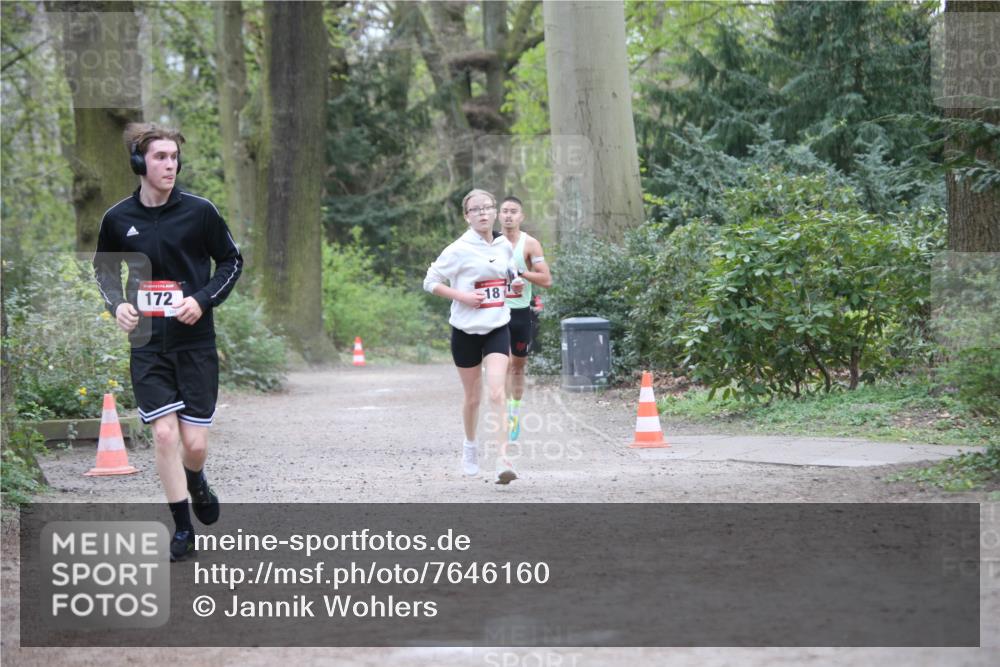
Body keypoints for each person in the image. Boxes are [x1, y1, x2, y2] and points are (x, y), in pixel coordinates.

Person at [93, 122, 243, 561]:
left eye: (174, 158)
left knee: (193, 445)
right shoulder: (118, 218)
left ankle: (197, 480)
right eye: (160, 157)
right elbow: (104, 271)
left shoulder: (200, 212)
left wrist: (202, 299)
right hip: (147, 344)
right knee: (163, 436)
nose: (170, 165)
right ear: (140, 163)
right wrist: (117, 304)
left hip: (195, 343)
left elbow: (231, 262)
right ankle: (181, 528)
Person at [423, 189, 524, 484]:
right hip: (465, 331)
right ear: (466, 217)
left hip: (496, 327)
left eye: (487, 208)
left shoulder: (505, 244)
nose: (482, 213)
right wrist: (462, 296)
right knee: (472, 398)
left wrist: (514, 287)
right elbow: (430, 281)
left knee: (496, 392)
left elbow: (510, 275)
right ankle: (470, 446)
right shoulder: (457, 249)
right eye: (475, 209)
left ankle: (503, 459)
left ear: (494, 212)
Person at [499, 196, 552, 441]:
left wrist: (521, 273)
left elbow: (546, 280)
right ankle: (502, 413)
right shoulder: (487, 243)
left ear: (521, 217)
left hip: (520, 313)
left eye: (513, 212)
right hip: (494, 312)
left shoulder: (530, 244)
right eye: (504, 211)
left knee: (518, 367)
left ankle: (514, 412)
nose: (508, 215)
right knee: (503, 364)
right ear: (499, 216)